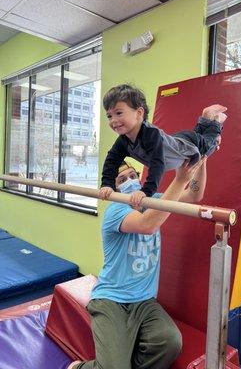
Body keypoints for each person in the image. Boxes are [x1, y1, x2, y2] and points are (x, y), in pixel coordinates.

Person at [68, 156, 209, 369]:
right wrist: (179, 180)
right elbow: (148, 225)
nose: (130, 181)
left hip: (144, 301)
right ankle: (79, 367)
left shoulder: (154, 201)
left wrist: (202, 160)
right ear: (112, 189)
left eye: (133, 176)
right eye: (121, 180)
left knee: (170, 343)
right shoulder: (115, 211)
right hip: (111, 299)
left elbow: (194, 194)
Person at [99, 84, 227, 207]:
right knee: (200, 141)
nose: (113, 120)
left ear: (139, 113)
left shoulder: (150, 134)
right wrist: (107, 184)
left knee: (209, 144)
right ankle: (207, 120)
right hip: (177, 141)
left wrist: (145, 191)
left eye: (119, 113)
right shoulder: (123, 140)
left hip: (184, 145)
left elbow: (157, 164)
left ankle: (213, 120)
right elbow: (111, 161)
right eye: (109, 116)